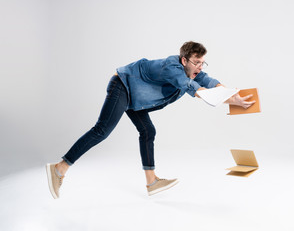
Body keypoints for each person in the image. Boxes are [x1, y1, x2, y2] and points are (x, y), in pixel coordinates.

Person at [46, 41, 255, 199]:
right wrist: (228, 99)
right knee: (102, 130)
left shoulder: (192, 71)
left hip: (136, 98)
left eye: (202, 62)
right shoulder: (172, 67)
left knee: (148, 132)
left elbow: (209, 81)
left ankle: (151, 182)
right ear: (184, 60)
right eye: (196, 62)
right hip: (123, 86)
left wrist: (231, 95)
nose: (200, 67)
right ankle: (59, 168)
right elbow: (194, 89)